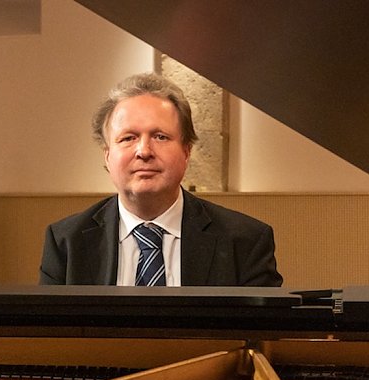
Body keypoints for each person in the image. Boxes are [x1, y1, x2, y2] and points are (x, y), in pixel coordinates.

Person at [39, 73, 282, 287]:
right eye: (128, 138)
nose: (144, 151)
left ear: (186, 151)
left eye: (160, 137)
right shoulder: (66, 242)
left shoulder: (246, 242)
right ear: (107, 155)